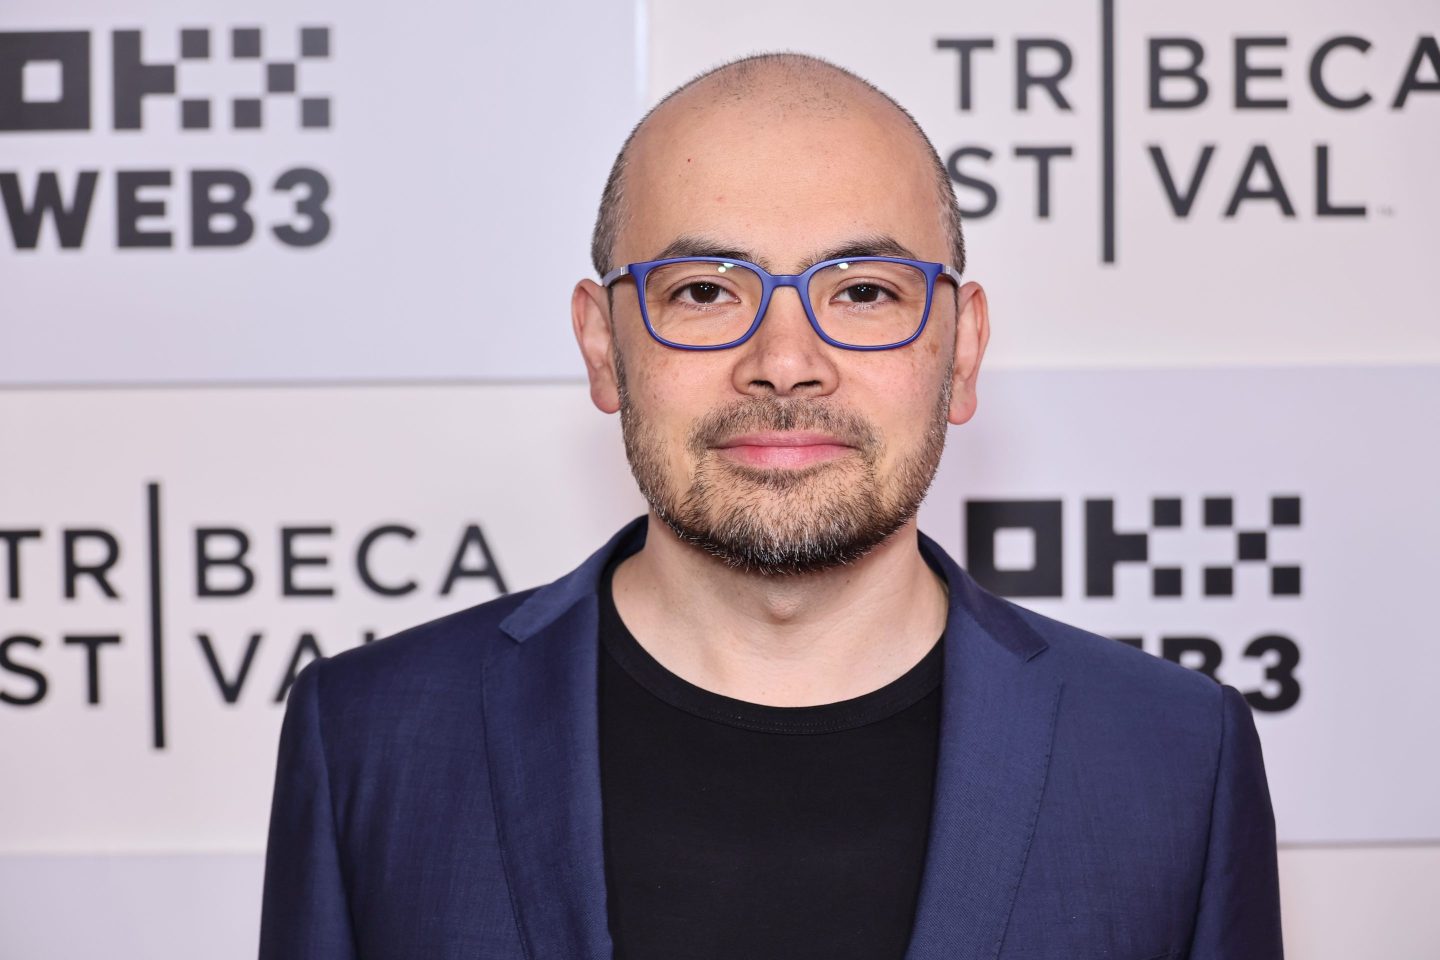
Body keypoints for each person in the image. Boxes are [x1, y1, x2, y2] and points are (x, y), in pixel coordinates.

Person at [258, 52, 1283, 960]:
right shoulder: (369, 740)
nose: (785, 364)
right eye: (705, 291)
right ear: (602, 346)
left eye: (864, 293)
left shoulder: (1175, 761)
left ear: (962, 350)